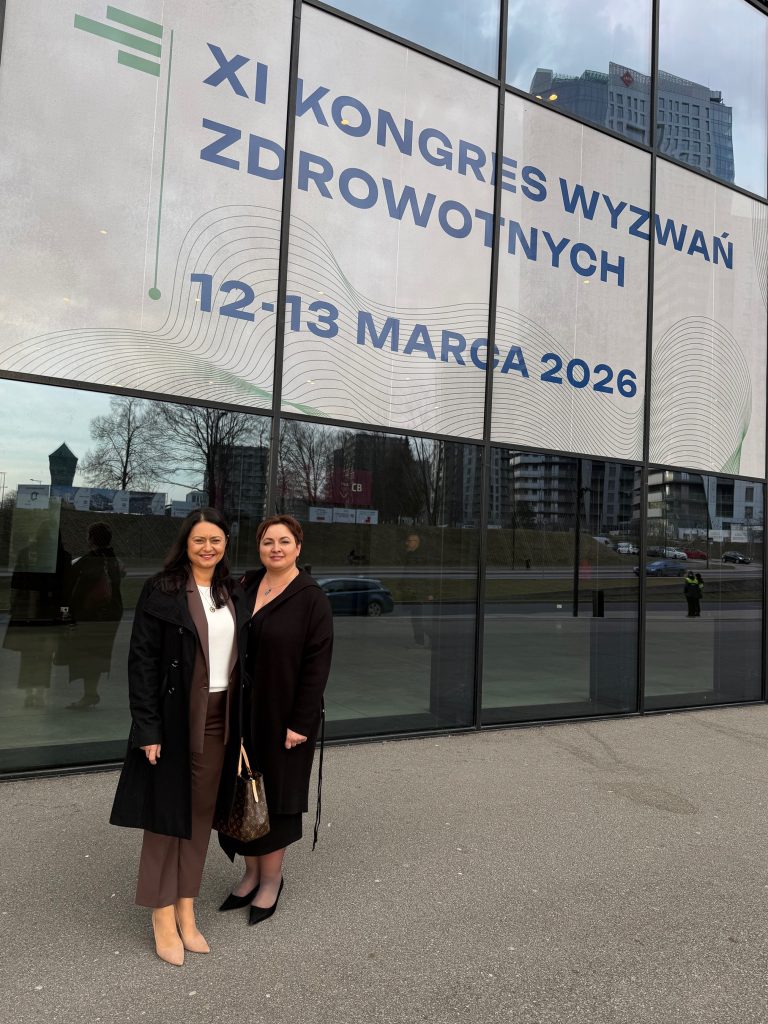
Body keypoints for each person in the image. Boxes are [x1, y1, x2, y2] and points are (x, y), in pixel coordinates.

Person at [110, 508, 238, 966]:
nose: (208, 547)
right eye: (199, 539)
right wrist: (147, 727)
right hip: (174, 716)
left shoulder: (230, 590)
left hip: (221, 717)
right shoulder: (162, 589)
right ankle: (161, 912)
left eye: (216, 540)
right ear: (186, 543)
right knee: (165, 815)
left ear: (225, 544)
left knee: (200, 816)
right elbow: (142, 661)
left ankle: (187, 905)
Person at [217, 514, 333, 926]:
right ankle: (250, 873)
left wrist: (300, 722)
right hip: (241, 711)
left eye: (284, 541)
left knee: (277, 799)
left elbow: (317, 667)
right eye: (268, 542)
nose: (276, 548)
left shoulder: (311, 598)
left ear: (298, 547)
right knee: (242, 790)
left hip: (285, 718)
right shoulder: (245, 586)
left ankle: (271, 880)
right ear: (259, 547)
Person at [62, 521, 124, 709]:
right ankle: (90, 693)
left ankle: (89, 694)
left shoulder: (88, 562)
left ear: (91, 539)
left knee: (86, 655)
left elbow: (73, 590)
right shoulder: (114, 560)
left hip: (90, 616)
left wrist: (66, 613)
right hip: (111, 614)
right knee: (98, 653)